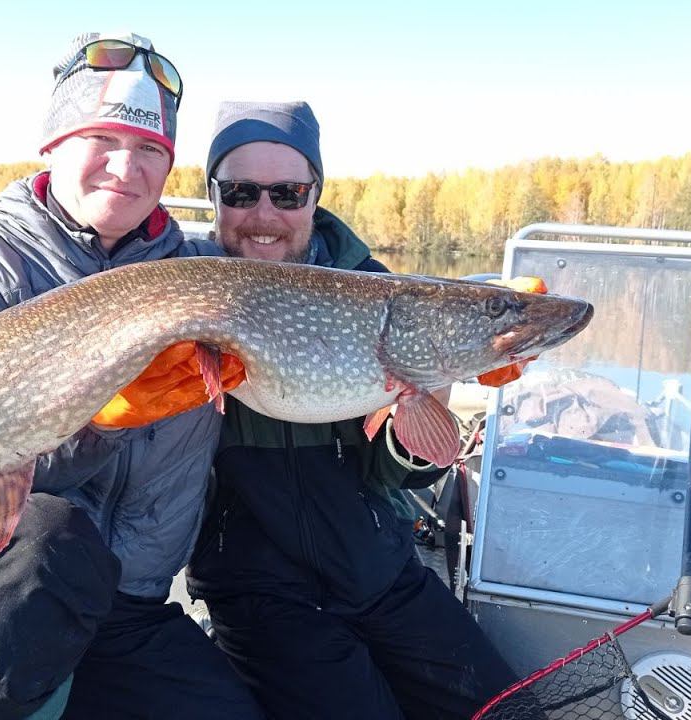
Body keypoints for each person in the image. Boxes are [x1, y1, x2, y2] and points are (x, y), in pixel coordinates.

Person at [0, 32, 262, 720]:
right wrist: (98, 420)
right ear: (53, 146)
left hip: (120, 606)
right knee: (37, 544)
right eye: (102, 140)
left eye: (150, 151)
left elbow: (296, 243)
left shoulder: (205, 276)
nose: (125, 167)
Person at [183, 101, 519, 719]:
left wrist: (431, 387)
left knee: (509, 711)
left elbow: (402, 474)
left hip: (378, 570)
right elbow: (75, 278)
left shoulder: (373, 288)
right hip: (256, 586)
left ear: (315, 194)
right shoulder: (181, 281)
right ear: (213, 195)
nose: (264, 215)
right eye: (240, 191)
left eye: (287, 192)